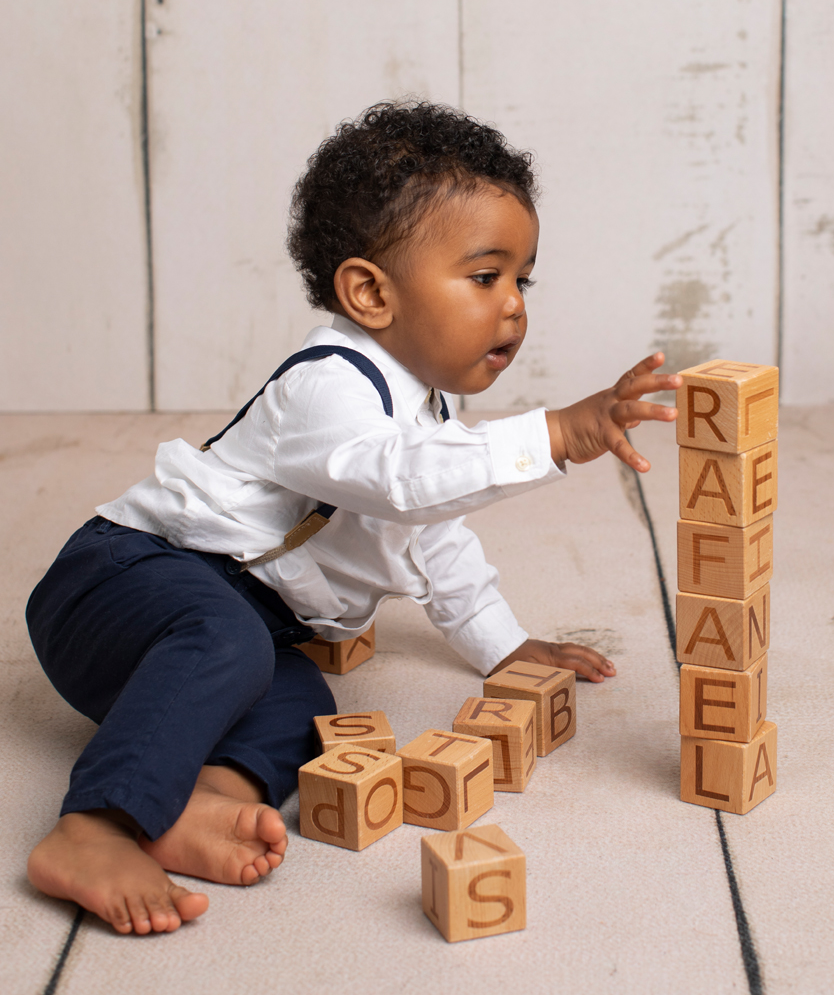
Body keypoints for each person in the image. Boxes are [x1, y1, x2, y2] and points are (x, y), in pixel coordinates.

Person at [26, 102, 681, 935]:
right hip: (121, 584)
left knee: (305, 703)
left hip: (219, 625)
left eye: (523, 280)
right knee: (225, 641)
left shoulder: (426, 411)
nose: (513, 305)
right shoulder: (327, 388)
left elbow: (431, 533)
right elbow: (404, 485)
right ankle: (94, 827)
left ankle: (201, 799)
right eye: (486, 277)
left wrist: (503, 646)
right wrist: (553, 435)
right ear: (370, 292)